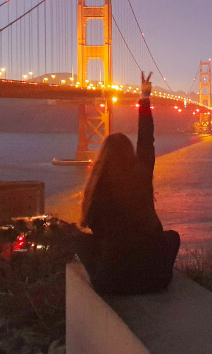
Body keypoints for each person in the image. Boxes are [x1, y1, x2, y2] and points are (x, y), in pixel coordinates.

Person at [77, 71, 180, 295]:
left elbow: (94, 229)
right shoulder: (141, 176)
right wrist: (144, 98)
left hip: (112, 283)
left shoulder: (97, 191)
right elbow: (146, 140)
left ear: (103, 159)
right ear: (129, 155)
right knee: (172, 237)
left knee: (80, 240)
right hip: (157, 279)